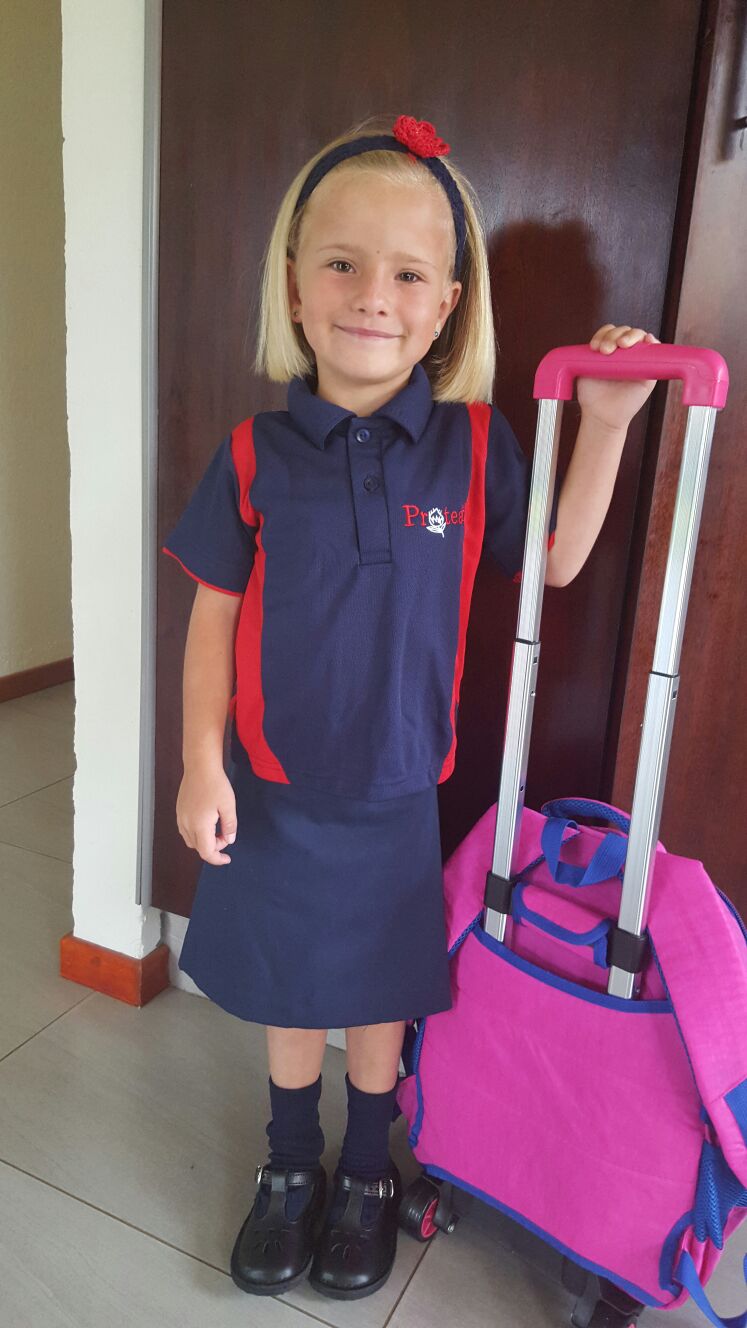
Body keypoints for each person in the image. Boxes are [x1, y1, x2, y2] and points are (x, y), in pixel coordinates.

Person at [161, 112, 659, 1302]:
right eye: (342, 262)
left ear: (444, 308)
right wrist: (198, 760)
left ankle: (367, 1171)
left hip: (396, 790)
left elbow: (555, 561)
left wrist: (603, 425)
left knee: (379, 990)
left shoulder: (473, 448)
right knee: (293, 983)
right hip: (273, 786)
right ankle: (291, 1159)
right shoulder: (252, 454)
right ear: (295, 284)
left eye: (407, 274)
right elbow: (213, 619)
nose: (371, 296)